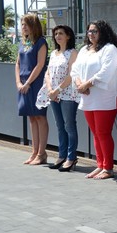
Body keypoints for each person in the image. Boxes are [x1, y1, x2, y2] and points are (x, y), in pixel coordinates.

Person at [71, 20, 117, 180]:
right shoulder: (85, 50)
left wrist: (87, 83)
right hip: (88, 96)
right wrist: (80, 84)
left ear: (103, 32)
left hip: (106, 97)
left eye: (95, 31)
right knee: (95, 133)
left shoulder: (110, 49)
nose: (91, 34)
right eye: (89, 31)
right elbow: (75, 69)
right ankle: (100, 165)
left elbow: (106, 72)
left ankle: (108, 168)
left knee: (103, 132)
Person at [35, 25, 79, 171]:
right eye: (55, 34)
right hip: (53, 94)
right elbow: (47, 73)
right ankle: (62, 155)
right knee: (60, 127)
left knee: (69, 126)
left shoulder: (73, 53)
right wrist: (50, 90)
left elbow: (71, 75)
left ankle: (71, 158)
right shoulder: (54, 53)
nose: (57, 36)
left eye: (61, 33)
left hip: (67, 94)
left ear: (68, 36)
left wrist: (58, 90)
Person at [16, 14, 49, 165]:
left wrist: (28, 82)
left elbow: (40, 65)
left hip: (36, 84)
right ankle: (34, 152)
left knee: (40, 116)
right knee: (31, 116)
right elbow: (17, 63)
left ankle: (42, 153)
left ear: (33, 25)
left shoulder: (41, 42)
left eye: (26, 24)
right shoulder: (23, 42)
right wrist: (18, 82)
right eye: (22, 24)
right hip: (23, 85)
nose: (23, 27)